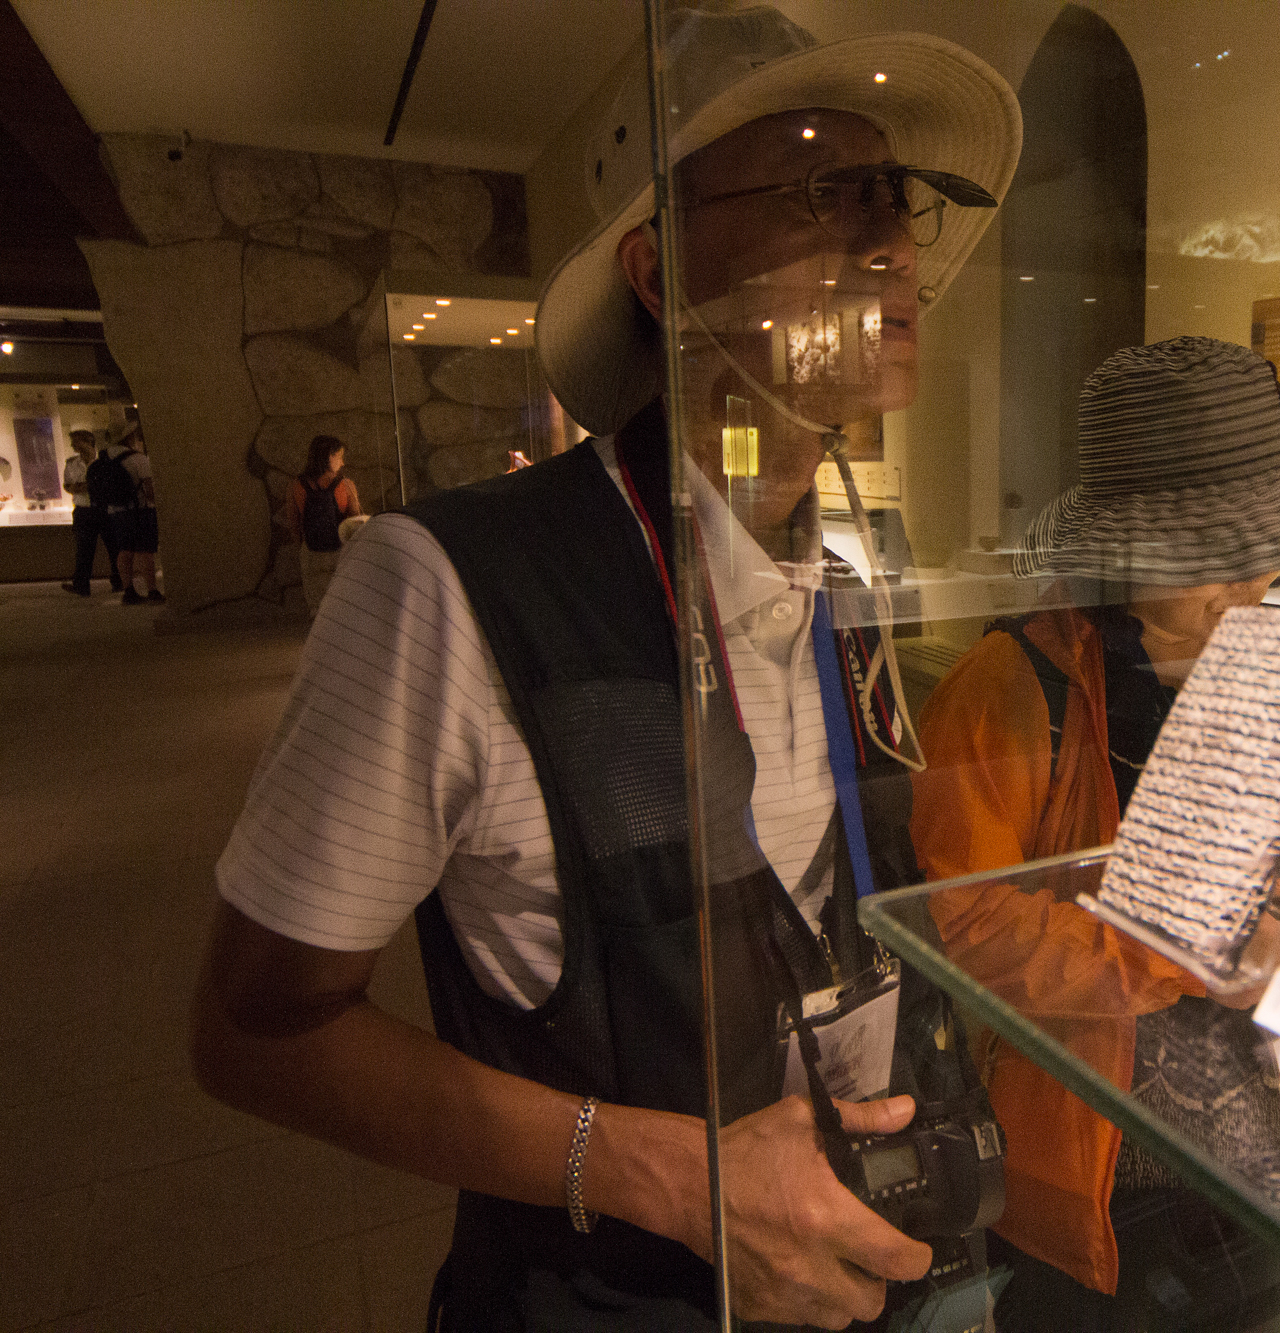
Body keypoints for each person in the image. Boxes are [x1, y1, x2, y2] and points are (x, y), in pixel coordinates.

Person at [191, 11, 1020, 1331]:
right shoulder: (452, 581)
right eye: (827, 190)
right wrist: (671, 1178)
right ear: (659, 267)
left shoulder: (842, 596)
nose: (892, 243)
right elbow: (255, 1026)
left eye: (898, 196)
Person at [910, 338, 1280, 1331]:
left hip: (1261, 1138)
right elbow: (962, 925)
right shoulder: (1010, 687)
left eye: (1263, 549)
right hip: (1087, 1178)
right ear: (1127, 550)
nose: (1252, 582)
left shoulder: (1279, 662)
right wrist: (1194, 951)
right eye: (1214, 556)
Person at [282, 433, 362, 615]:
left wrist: (302, 546)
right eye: (339, 457)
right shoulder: (346, 485)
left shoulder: (295, 486)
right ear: (328, 457)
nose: (343, 463)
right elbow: (354, 522)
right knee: (342, 606)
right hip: (340, 553)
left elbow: (293, 523)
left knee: (317, 610)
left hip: (311, 553)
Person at [99, 423, 163, 604]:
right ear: (129, 437)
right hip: (140, 510)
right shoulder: (138, 459)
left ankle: (129, 591)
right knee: (145, 552)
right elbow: (149, 489)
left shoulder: (104, 459)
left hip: (116, 512)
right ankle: (152, 591)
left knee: (124, 551)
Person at [62, 428, 120, 595]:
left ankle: (119, 581)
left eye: (76, 442)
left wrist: (87, 486)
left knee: (114, 548)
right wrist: (82, 487)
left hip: (103, 509)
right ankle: (81, 585)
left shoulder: (104, 461)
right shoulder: (72, 463)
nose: (73, 446)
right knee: (84, 550)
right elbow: (68, 485)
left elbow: (107, 484)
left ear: (88, 442)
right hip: (83, 510)